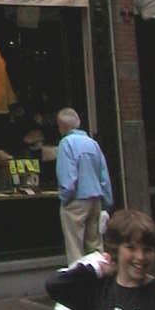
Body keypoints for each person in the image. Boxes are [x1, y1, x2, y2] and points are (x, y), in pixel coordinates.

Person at [57, 107, 114, 264]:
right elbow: (104, 177)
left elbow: (68, 179)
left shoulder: (66, 143)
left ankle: (78, 276)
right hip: (96, 199)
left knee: (75, 246)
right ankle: (99, 273)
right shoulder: (93, 144)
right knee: (95, 245)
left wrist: (65, 199)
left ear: (61, 127)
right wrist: (107, 203)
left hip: (76, 200)